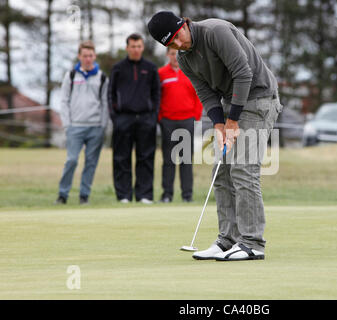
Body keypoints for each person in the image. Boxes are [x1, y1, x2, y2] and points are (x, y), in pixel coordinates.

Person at [148, 11, 283, 261]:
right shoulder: (185, 59)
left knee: (243, 168)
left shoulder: (215, 32)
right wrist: (220, 124)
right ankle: (228, 240)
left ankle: (252, 243)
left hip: (259, 98)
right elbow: (206, 93)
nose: (179, 44)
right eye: (171, 44)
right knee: (220, 170)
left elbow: (243, 74)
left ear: (184, 24)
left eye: (178, 37)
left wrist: (232, 120)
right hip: (231, 103)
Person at [108, 33, 161, 204]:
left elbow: (157, 94)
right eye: (133, 46)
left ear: (142, 47)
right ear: (127, 48)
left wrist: (153, 117)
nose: (136, 49)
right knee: (121, 158)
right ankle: (123, 196)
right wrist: (115, 118)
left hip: (146, 119)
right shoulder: (118, 68)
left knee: (146, 157)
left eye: (139, 46)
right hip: (123, 119)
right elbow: (110, 95)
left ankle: (144, 195)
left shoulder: (151, 68)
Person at [55, 40, 108, 205]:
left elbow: (105, 102)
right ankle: (62, 195)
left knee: (91, 163)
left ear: (95, 56)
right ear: (79, 56)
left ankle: (84, 196)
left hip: (95, 127)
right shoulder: (70, 75)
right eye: (85, 55)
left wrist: (103, 125)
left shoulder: (102, 77)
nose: (88, 58)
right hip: (75, 126)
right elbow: (63, 100)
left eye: (91, 55)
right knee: (71, 160)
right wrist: (67, 124)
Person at [158, 47, 203, 203]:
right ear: (167, 55)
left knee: (186, 160)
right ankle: (167, 195)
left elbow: (199, 96)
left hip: (187, 121)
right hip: (167, 121)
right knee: (168, 160)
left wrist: (195, 116)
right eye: (172, 53)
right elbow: (157, 96)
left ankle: (187, 195)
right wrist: (160, 118)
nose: (175, 57)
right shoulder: (161, 74)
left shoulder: (191, 72)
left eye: (177, 53)